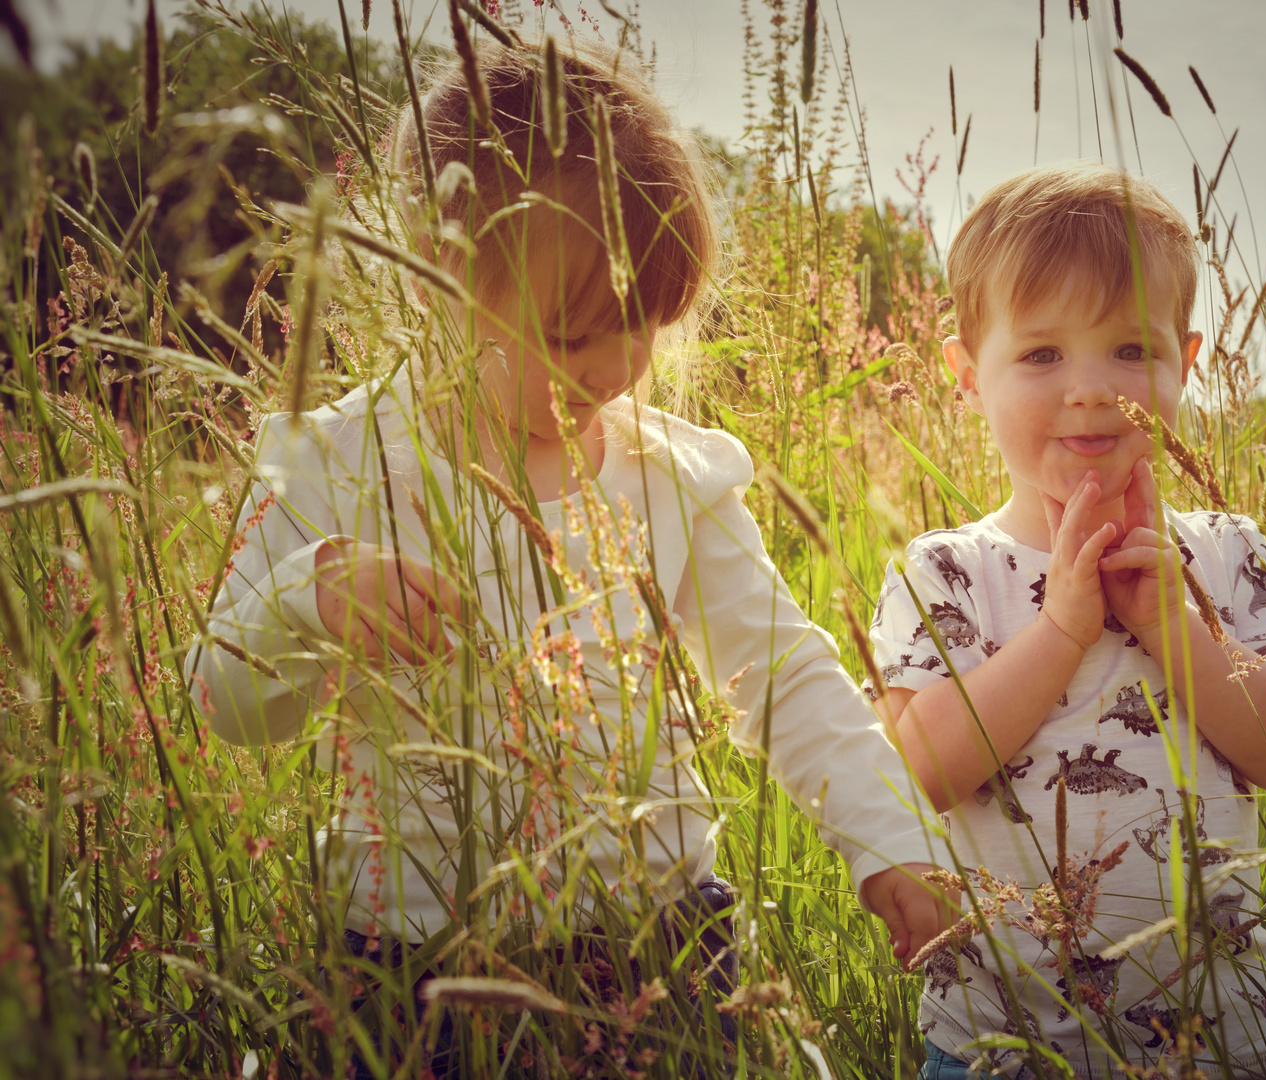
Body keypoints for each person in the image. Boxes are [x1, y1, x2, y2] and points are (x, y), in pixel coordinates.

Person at [187, 36, 947, 1076]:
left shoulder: (674, 478)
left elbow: (784, 674)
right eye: (574, 329)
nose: (618, 364)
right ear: (433, 281)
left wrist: (888, 843)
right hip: (410, 973)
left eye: (643, 321)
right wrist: (308, 594)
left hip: (659, 950)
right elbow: (229, 707)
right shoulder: (335, 465)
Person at [867, 162, 1266, 1079]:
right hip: (1000, 1043)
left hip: (1219, 1035)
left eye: (1130, 351)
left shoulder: (1230, 553)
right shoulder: (948, 571)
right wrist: (1061, 631)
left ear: (1184, 363)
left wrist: (1176, 627)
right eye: (1041, 354)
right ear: (968, 374)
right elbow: (919, 767)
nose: (1088, 387)